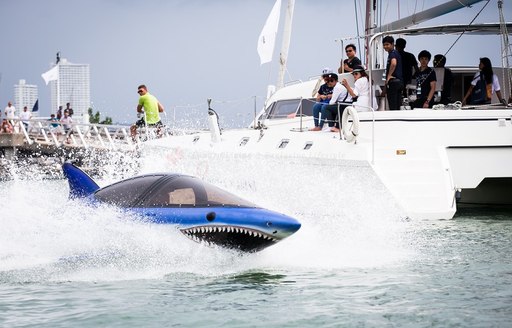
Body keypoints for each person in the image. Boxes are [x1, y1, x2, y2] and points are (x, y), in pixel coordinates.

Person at [382, 36, 403, 110]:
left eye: (387, 44)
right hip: (399, 82)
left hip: (393, 82)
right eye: (384, 45)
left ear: (392, 44)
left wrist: (389, 76)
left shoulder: (392, 53)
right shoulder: (396, 53)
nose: (385, 46)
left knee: (393, 105)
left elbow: (393, 63)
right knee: (398, 105)